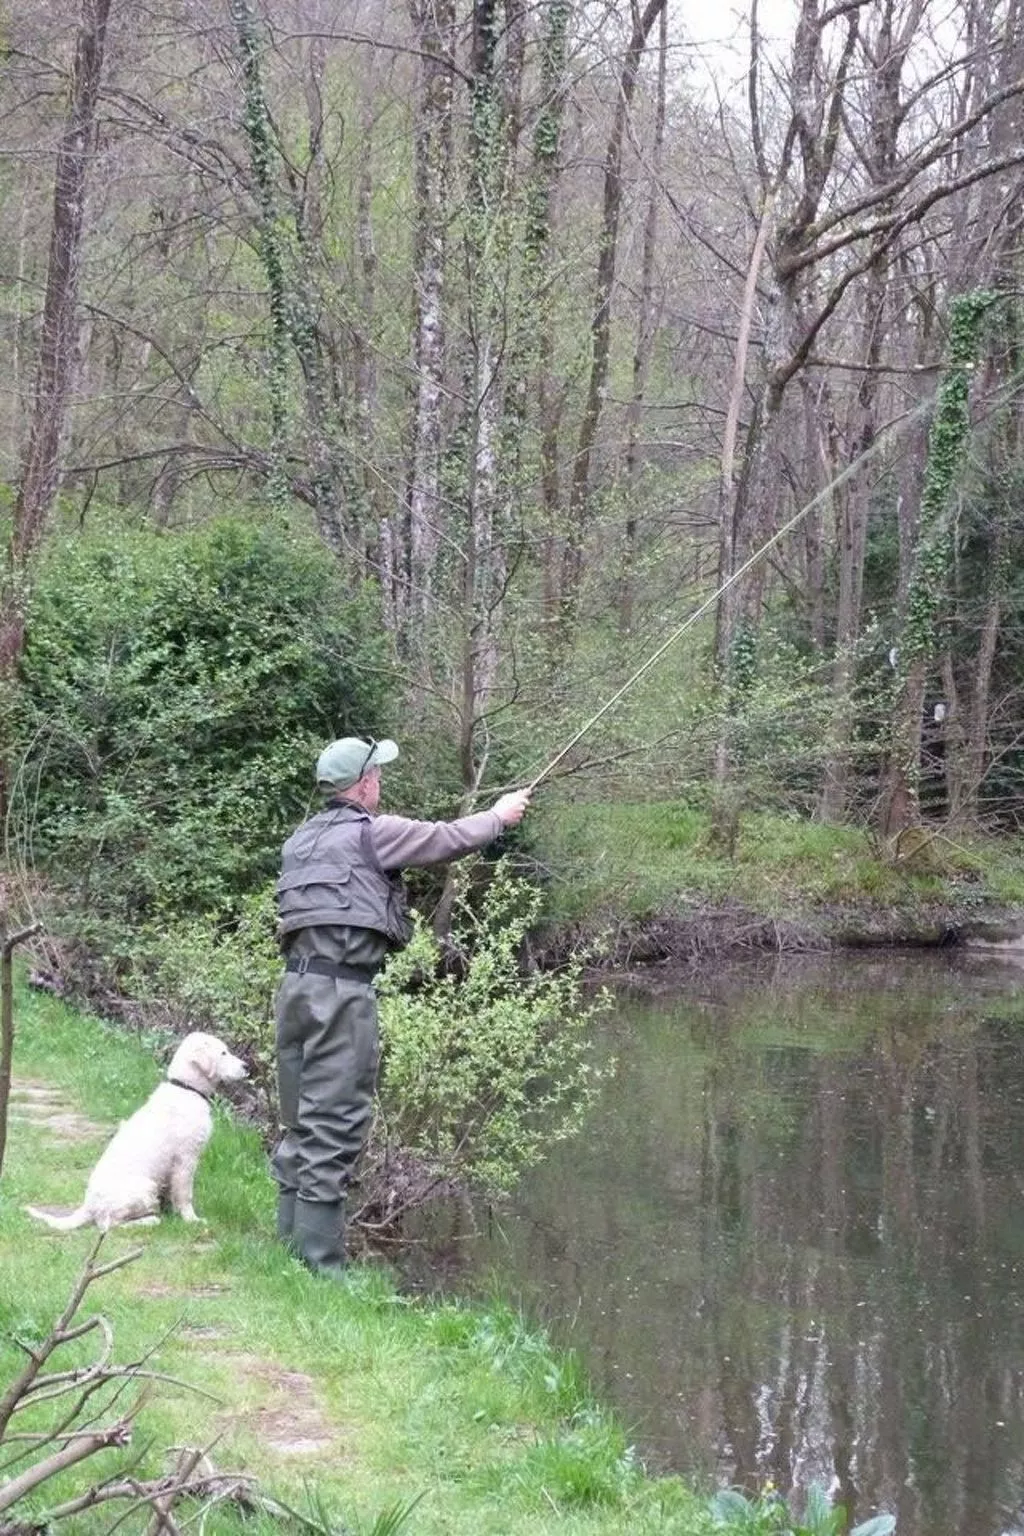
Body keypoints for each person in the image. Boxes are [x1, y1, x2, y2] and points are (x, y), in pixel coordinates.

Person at [272, 735, 531, 1276]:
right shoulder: (374, 832)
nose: (381, 784)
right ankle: (321, 1269)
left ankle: (289, 1255)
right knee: (335, 1125)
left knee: (300, 1124)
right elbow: (446, 839)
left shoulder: (299, 842)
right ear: (362, 783)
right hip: (343, 997)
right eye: (378, 775)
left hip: (294, 992)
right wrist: (499, 817)